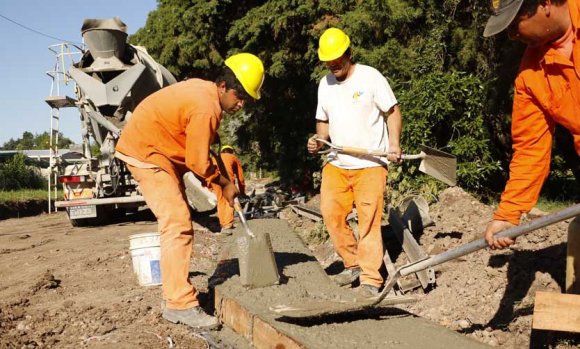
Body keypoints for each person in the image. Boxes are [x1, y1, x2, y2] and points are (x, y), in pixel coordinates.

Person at [114, 53, 265, 328]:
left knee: (179, 220)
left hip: (160, 151)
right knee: (177, 222)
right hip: (147, 153)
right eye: (239, 95)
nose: (241, 104)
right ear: (223, 86)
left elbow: (197, 146)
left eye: (247, 100)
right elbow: (197, 162)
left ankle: (175, 293)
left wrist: (219, 176)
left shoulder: (204, 92)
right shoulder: (206, 107)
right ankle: (179, 305)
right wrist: (224, 184)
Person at [483, 0, 580, 293]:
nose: (512, 35)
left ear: (546, 3)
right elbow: (530, 149)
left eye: (514, 24)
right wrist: (507, 215)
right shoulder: (530, 75)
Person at [306, 27, 403, 296]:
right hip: (337, 162)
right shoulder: (324, 84)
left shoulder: (370, 77)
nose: (333, 64)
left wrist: (393, 144)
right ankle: (354, 264)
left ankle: (371, 279)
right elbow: (322, 123)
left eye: (338, 58)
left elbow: (393, 112)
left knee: (369, 221)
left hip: (370, 164)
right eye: (328, 60)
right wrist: (318, 140)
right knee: (330, 214)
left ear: (349, 53)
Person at [212, 145, 246, 235]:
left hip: (215, 180)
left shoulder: (214, 157)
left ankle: (223, 224)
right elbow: (240, 177)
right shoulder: (233, 157)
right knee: (229, 201)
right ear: (231, 151)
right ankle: (228, 225)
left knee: (220, 201)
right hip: (227, 180)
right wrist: (242, 192)